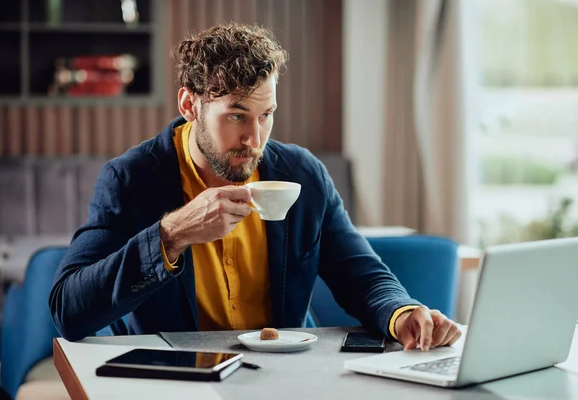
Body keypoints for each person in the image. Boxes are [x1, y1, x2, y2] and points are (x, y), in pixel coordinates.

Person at [49, 22, 461, 351]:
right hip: (178, 380)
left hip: (284, 377)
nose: (255, 139)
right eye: (237, 115)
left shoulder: (303, 173)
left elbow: (362, 274)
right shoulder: (132, 178)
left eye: (266, 115)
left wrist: (402, 312)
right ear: (190, 105)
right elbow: (68, 310)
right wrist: (170, 237)